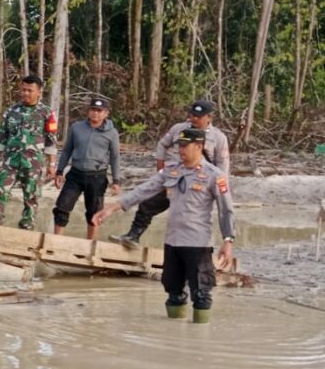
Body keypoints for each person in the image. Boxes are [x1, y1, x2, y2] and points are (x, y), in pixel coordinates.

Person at [93, 128, 234, 324]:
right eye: (179, 146)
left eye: (185, 146)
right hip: (172, 242)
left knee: (201, 293)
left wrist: (228, 240)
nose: (180, 150)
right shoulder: (171, 170)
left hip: (197, 244)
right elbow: (144, 190)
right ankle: (175, 333)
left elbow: (226, 209)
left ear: (199, 146)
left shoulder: (214, 175)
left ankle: (200, 335)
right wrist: (113, 207)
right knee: (173, 291)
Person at [111, 99, 230, 245]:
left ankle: (206, 245)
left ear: (209, 117)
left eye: (199, 117)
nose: (194, 119)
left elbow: (222, 165)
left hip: (198, 184)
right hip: (173, 179)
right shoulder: (178, 129)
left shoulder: (218, 138)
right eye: (192, 115)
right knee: (147, 204)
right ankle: (133, 236)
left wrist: (221, 190)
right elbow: (162, 144)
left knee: (191, 218)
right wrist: (161, 167)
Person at [0, 75, 57, 230]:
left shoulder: (46, 113)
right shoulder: (12, 111)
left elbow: (51, 140)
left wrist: (52, 164)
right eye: (23, 90)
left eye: (29, 90)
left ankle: (27, 228)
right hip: (10, 161)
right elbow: (2, 136)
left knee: (31, 197)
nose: (25, 93)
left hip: (32, 163)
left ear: (39, 92)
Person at [52, 97, 121, 239]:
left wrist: (116, 180)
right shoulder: (77, 128)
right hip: (75, 174)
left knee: (94, 213)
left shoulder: (112, 133)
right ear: (88, 111)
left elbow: (115, 157)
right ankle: (56, 240)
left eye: (99, 111)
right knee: (62, 208)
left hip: (96, 177)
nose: (95, 113)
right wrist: (59, 171)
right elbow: (67, 150)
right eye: (93, 109)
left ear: (106, 113)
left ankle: (90, 244)